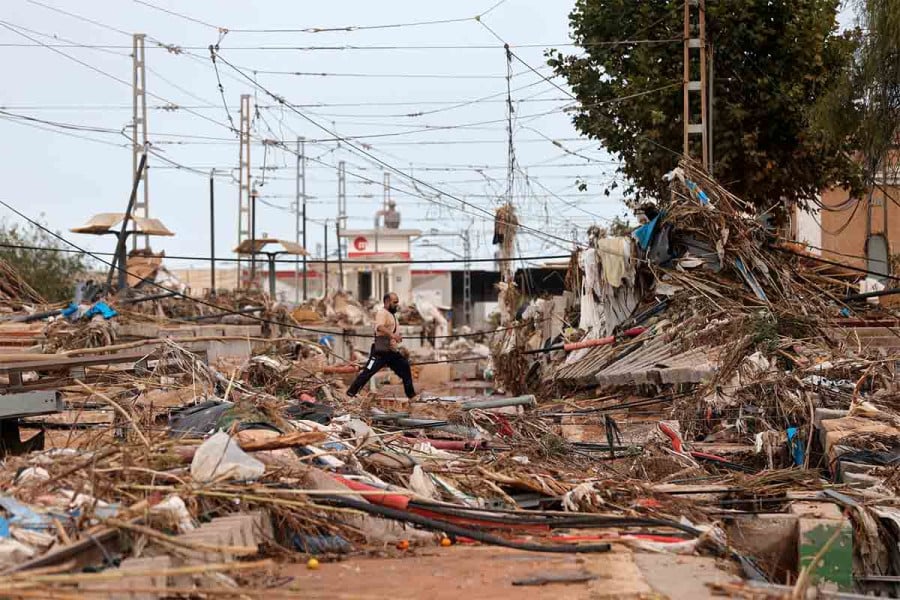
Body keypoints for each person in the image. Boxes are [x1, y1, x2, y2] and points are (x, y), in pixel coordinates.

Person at [346, 292, 417, 400]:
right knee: (368, 371)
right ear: (387, 302)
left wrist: (397, 337)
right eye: (395, 302)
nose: (397, 304)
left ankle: (411, 396)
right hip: (380, 352)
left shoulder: (392, 315)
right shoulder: (382, 313)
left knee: (405, 368)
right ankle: (351, 393)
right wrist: (393, 335)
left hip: (391, 352)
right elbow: (379, 327)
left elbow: (389, 330)